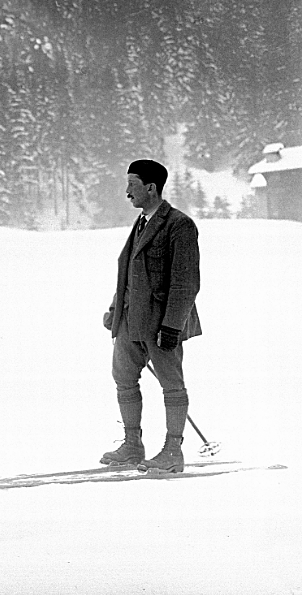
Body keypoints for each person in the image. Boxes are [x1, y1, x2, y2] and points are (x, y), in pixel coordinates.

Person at [101, 159, 201, 472]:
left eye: (132, 184)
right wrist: (115, 310)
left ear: (151, 187)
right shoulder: (142, 222)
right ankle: (132, 445)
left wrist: (172, 326)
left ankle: (173, 451)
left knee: (172, 385)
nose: (127, 191)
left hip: (161, 323)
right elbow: (130, 271)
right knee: (124, 379)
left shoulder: (179, 224)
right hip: (131, 319)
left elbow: (186, 283)